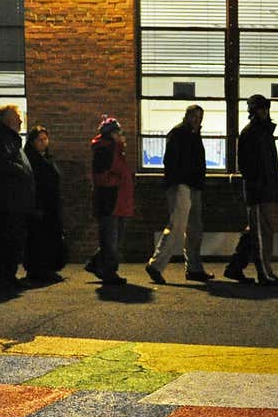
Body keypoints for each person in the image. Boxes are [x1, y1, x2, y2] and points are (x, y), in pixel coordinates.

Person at [228, 94, 278, 286]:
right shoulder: (254, 133)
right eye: (261, 109)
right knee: (263, 234)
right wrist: (264, 186)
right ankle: (265, 273)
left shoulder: (260, 132)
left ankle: (235, 267)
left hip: (264, 190)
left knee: (256, 231)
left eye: (265, 108)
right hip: (260, 192)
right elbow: (248, 167)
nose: (264, 112)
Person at [146, 105, 210, 284]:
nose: (197, 119)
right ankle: (156, 264)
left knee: (194, 228)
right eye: (194, 116)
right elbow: (172, 161)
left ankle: (194, 268)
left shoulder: (190, 134)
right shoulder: (180, 133)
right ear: (187, 116)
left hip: (192, 184)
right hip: (183, 184)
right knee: (178, 225)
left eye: (199, 116)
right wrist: (180, 181)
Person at [0, 104, 36, 293]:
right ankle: (3, 276)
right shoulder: (0, 140)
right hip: (8, 202)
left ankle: (6, 275)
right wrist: (22, 170)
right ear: (6, 120)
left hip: (16, 201)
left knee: (14, 241)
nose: (21, 120)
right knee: (9, 240)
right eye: (17, 116)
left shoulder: (11, 140)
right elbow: (3, 166)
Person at [86, 115, 134, 286]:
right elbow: (101, 178)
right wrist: (121, 180)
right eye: (119, 132)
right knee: (111, 240)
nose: (122, 135)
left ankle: (97, 264)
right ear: (112, 134)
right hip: (111, 200)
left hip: (117, 201)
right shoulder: (106, 150)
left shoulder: (114, 150)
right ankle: (109, 272)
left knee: (113, 239)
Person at [22, 124, 66, 283]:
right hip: (40, 204)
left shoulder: (45, 157)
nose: (44, 142)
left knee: (48, 237)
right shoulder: (31, 159)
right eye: (40, 140)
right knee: (39, 238)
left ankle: (46, 268)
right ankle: (39, 269)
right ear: (33, 142)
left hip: (50, 204)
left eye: (45, 139)